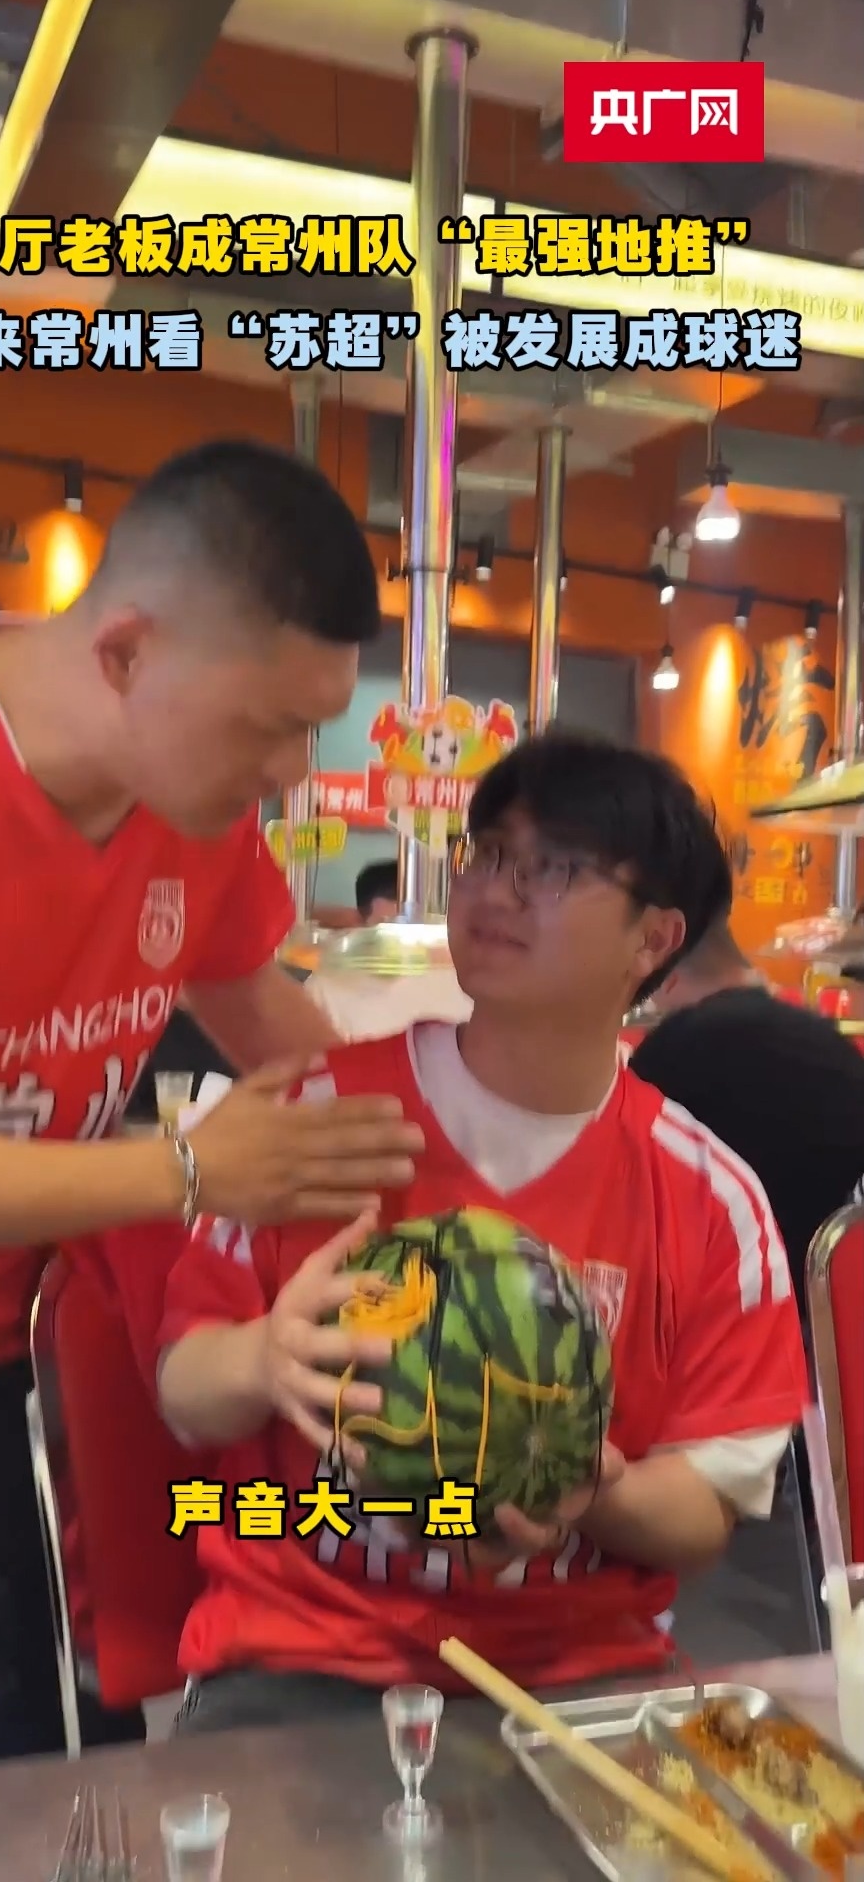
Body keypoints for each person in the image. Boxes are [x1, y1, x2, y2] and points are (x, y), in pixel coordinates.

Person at [0, 439, 426, 1784]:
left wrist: (477, 1160)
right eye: (267, 728)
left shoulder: (195, 811)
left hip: (24, 1316)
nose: (291, 773)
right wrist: (187, 1172)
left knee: (61, 1703)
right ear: (126, 652)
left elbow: (290, 1047)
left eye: (312, 729)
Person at [129, 731, 807, 1728]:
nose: (496, 890)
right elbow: (182, 1387)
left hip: (577, 1674)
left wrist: (591, 1493)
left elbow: (706, 1508)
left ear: (654, 940)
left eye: (553, 867)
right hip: (305, 1658)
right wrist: (267, 1358)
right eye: (487, 853)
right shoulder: (314, 1118)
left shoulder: (711, 1198)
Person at [628, 913, 864, 1312]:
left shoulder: (672, 1053)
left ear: (665, 978)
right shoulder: (828, 1042)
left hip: (737, 1311)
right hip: (837, 1313)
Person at [306, 856, 472, 1039]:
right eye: (387, 926)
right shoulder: (326, 989)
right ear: (361, 925)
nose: (402, 940)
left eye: (412, 926)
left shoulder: (465, 982)